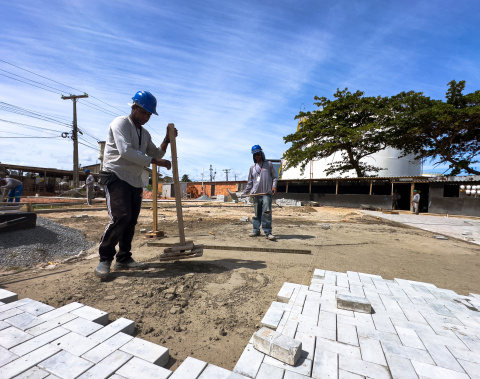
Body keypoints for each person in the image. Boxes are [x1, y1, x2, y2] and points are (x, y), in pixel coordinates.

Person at [94, 91, 174, 279]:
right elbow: (126, 152)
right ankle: (105, 259)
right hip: (116, 176)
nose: (146, 117)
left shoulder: (144, 133)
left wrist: (167, 140)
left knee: (130, 221)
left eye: (149, 114)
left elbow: (157, 153)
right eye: (144, 112)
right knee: (121, 217)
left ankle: (123, 258)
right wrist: (155, 161)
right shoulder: (120, 123)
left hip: (134, 180)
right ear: (134, 107)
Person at [242, 145, 278, 240]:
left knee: (266, 213)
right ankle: (256, 230)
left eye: (258, 154)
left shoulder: (269, 164)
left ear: (261, 154)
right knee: (256, 214)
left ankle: (268, 232)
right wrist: (244, 193)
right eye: (255, 155)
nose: (257, 156)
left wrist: (274, 187)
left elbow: (274, 178)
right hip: (255, 195)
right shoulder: (252, 167)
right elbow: (250, 182)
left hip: (266, 194)